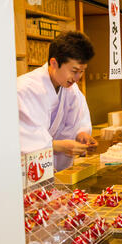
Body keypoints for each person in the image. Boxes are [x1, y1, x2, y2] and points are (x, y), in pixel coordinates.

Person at [17, 31, 97, 171]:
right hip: (23, 172)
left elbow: (78, 121)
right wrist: (60, 146)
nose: (78, 77)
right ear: (54, 63)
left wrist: (81, 135)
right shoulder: (25, 89)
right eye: (74, 70)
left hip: (53, 172)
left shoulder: (71, 90)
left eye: (82, 71)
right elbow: (27, 140)